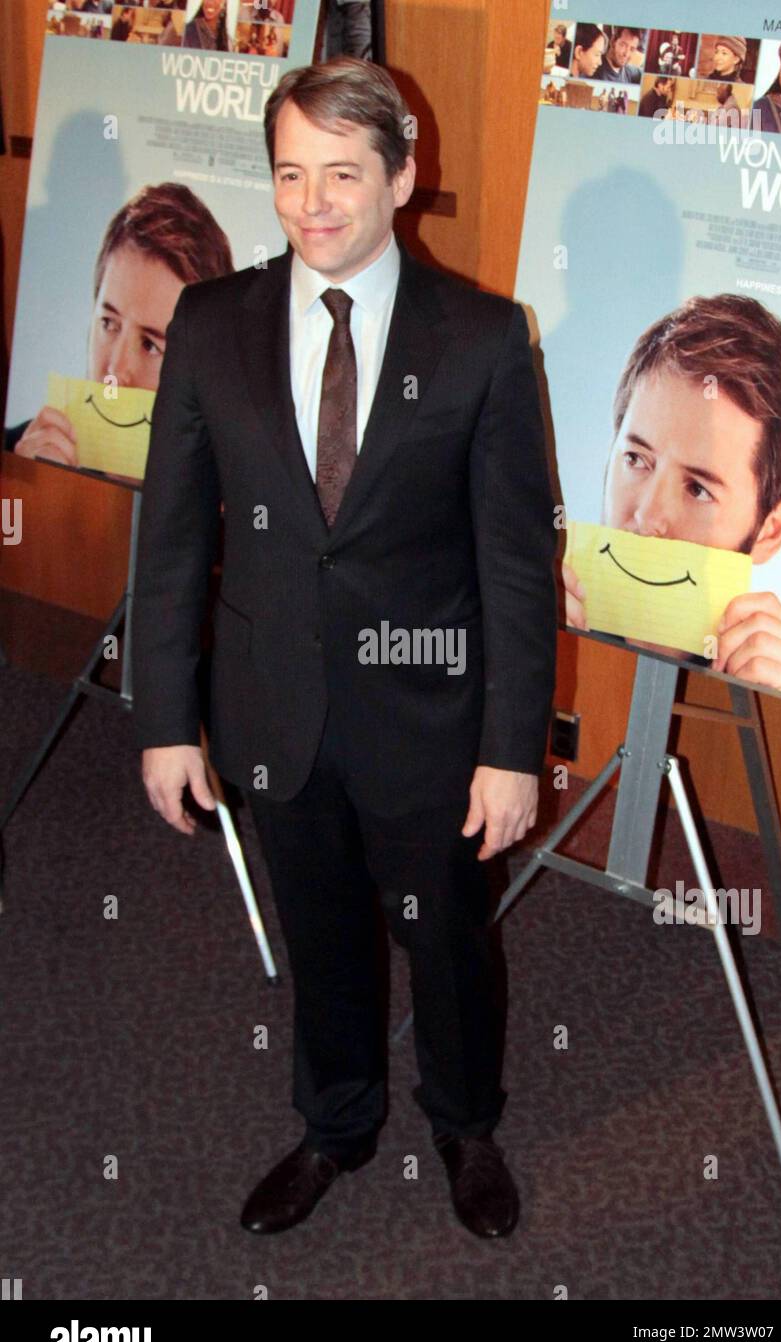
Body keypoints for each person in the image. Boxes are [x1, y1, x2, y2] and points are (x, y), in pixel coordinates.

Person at [133, 56, 557, 1240]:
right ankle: (335, 1124)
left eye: (341, 173)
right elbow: (167, 541)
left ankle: (466, 1120)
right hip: (273, 711)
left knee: (446, 940)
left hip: (431, 723)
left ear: (403, 177)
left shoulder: (478, 338)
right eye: (287, 174)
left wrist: (510, 747)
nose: (312, 203)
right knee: (317, 935)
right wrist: (166, 721)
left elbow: (516, 566)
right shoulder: (211, 325)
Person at [562, 295, 781, 710]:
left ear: (771, 530)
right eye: (636, 460)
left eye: (698, 489)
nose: (648, 517)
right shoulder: (523, 624)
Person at [5, 183, 234, 465]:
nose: (115, 371)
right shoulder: (17, 455)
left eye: (151, 345)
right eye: (109, 324)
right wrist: (31, 488)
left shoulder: (233, 494)